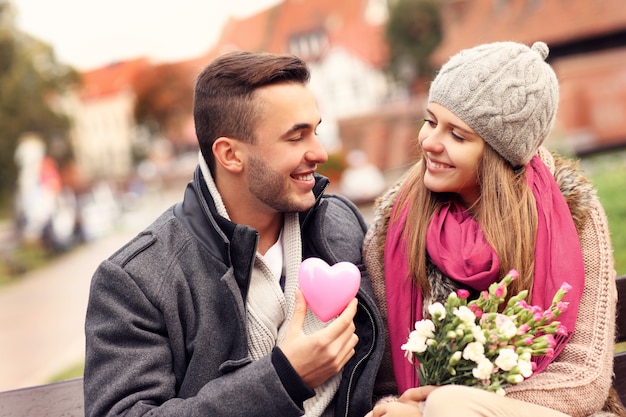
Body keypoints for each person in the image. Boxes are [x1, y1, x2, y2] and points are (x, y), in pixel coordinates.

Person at [83, 51, 384, 417]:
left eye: (315, 131)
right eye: (295, 137)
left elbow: (381, 357)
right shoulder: (136, 281)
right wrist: (283, 378)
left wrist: (394, 402)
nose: (319, 152)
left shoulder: (340, 221)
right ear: (230, 155)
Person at [362, 41, 621, 417]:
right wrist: (399, 408)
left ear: (501, 154)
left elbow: (583, 377)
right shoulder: (395, 227)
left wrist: (453, 405)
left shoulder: (572, 210)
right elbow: (389, 381)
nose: (429, 142)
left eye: (457, 135)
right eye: (431, 121)